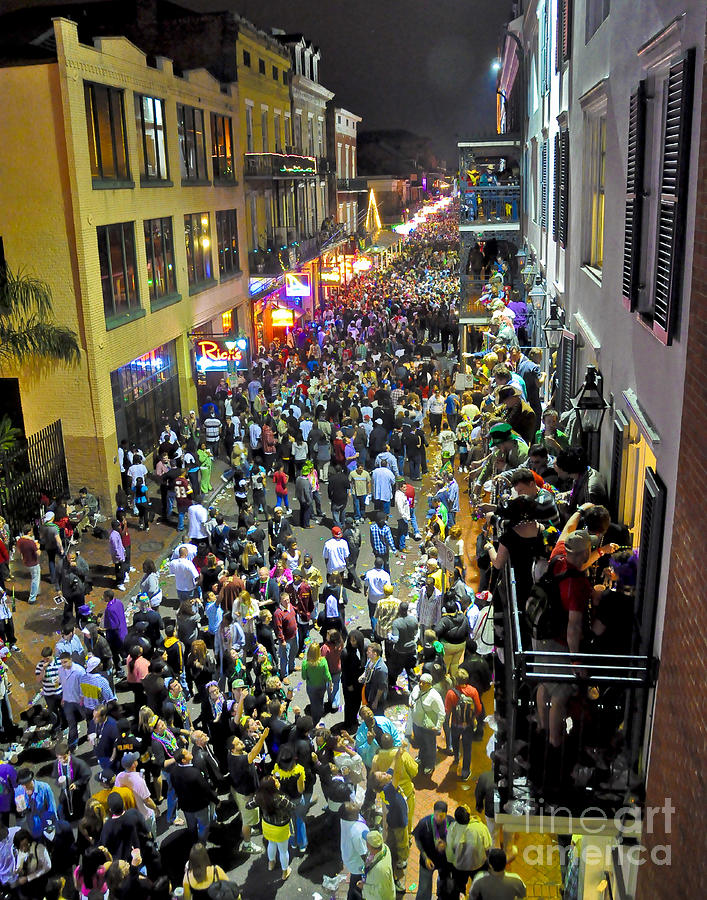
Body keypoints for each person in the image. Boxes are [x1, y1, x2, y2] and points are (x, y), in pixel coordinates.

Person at [227, 728, 269, 854]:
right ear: (232, 749)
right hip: (246, 795)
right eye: (238, 743)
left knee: (245, 815)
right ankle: (247, 843)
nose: (241, 742)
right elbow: (254, 753)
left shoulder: (233, 755)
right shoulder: (240, 760)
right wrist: (262, 738)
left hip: (238, 789)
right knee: (247, 821)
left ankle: (247, 827)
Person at [247, 775, 295, 881]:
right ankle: (285, 871)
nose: (277, 780)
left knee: (271, 843)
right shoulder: (280, 799)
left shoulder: (259, 797)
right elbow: (292, 806)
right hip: (280, 828)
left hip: (267, 825)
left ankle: (271, 863)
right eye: (275, 780)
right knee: (283, 851)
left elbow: (248, 805)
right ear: (273, 787)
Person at [170, 747, 219, 841]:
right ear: (184, 760)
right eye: (187, 753)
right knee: (203, 826)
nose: (189, 752)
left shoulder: (174, 772)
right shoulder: (195, 773)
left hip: (186, 806)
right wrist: (216, 801)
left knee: (191, 825)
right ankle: (201, 844)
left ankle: (193, 841)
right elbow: (206, 790)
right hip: (199, 806)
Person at [444, 668, 482, 782]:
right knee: (467, 748)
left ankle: (456, 757)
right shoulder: (473, 691)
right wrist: (472, 717)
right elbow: (479, 709)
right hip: (468, 725)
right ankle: (465, 772)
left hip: (456, 724)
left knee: (455, 741)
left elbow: (447, 710)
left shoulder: (451, 693)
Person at [412, 800, 454, 900]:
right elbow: (418, 840)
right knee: (424, 888)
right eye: (436, 815)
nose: (439, 818)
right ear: (433, 812)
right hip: (427, 861)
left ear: (446, 814)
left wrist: (447, 845)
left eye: (442, 816)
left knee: (445, 886)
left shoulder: (452, 823)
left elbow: (457, 840)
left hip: (445, 862)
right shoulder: (424, 823)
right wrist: (425, 857)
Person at [411, 673, 445, 775]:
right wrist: (410, 702)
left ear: (429, 684)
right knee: (420, 743)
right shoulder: (416, 688)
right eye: (420, 682)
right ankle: (421, 757)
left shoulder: (435, 696)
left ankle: (430, 765)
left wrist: (438, 727)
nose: (420, 684)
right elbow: (411, 697)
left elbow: (441, 713)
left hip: (428, 727)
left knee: (430, 746)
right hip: (416, 724)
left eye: (423, 683)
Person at [340, 802, 369, 900]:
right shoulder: (357, 832)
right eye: (352, 806)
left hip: (350, 857)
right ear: (351, 815)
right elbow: (363, 853)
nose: (354, 803)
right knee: (356, 887)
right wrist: (369, 866)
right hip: (358, 865)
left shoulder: (346, 819)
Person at [359, 829, 395, 900]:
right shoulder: (384, 848)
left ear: (368, 845)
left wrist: (364, 887)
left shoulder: (381, 869)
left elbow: (380, 892)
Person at [301, 641, 331, 724]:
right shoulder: (323, 661)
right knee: (321, 699)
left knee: (313, 702)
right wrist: (330, 684)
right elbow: (327, 675)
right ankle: (320, 713)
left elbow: (303, 677)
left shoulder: (305, 664)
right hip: (321, 685)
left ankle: (315, 717)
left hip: (311, 686)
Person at [363, 558, 392, 631]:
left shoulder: (369, 573)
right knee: (382, 614)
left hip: (372, 597)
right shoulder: (386, 575)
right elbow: (388, 587)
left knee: (373, 615)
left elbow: (366, 584)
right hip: (382, 597)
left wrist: (365, 591)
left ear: (374, 564)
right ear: (382, 565)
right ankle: (382, 629)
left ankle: (374, 631)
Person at [16, 523, 41, 605]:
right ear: (30, 532)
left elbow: (19, 552)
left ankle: (37, 591)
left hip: (26, 561)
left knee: (35, 577)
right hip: (33, 563)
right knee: (35, 579)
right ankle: (32, 598)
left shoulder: (19, 541)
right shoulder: (31, 542)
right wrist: (38, 546)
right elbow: (38, 553)